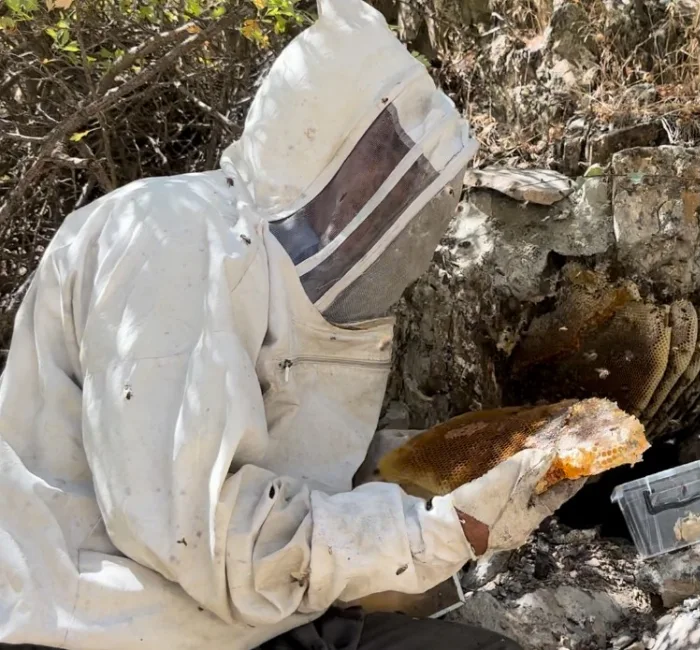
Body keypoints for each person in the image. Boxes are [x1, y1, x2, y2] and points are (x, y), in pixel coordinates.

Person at [0, 1, 582, 648]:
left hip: (268, 620)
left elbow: (307, 472)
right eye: (388, 155)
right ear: (327, 137)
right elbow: (208, 540)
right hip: (113, 629)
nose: (398, 188)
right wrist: (450, 529)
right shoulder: (174, 242)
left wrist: (463, 459)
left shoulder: (280, 274)